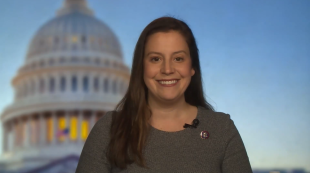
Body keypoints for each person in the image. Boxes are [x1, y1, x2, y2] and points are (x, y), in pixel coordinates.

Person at [76, 16, 252, 173]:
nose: (167, 70)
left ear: (192, 68)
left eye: (178, 59)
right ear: (141, 68)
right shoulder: (109, 130)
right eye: (155, 59)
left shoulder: (221, 130)